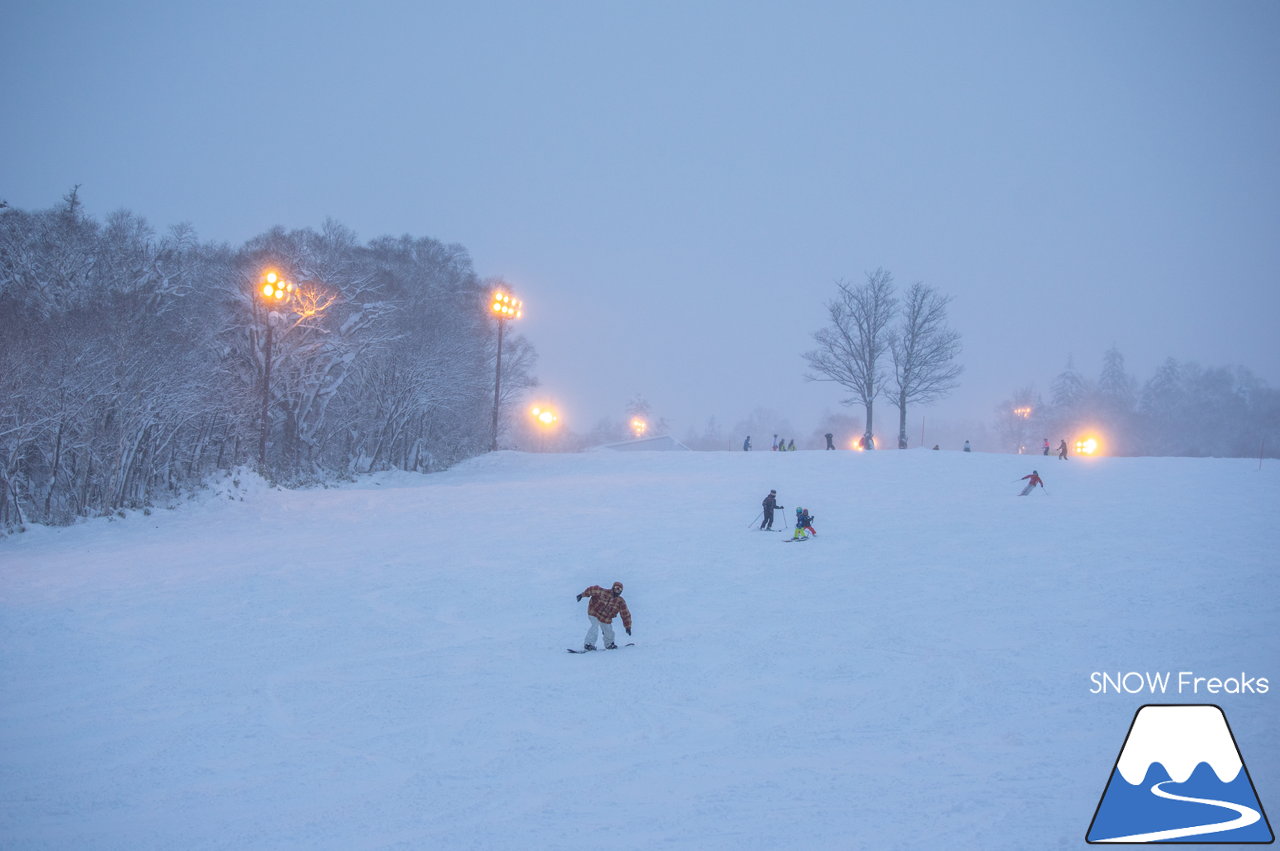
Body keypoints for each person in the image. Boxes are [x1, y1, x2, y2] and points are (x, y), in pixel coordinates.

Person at [576, 581, 632, 651]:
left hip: (606, 618)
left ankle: (609, 644)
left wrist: (628, 627)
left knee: (609, 631)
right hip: (594, 612)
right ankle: (589, 644)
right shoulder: (603, 592)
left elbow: (625, 614)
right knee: (594, 627)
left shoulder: (620, 601)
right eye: (616, 588)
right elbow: (592, 589)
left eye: (619, 589)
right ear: (613, 588)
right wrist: (582, 595)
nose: (617, 590)